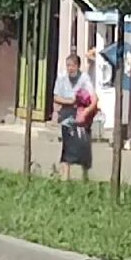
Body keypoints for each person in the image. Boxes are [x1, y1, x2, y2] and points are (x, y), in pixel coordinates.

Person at [53, 53, 96, 181]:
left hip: (82, 120)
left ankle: (85, 177)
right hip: (67, 119)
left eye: (72, 66)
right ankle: (65, 178)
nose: (70, 68)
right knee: (68, 149)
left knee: (84, 148)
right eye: (68, 66)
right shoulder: (61, 78)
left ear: (78, 66)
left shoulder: (84, 78)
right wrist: (70, 102)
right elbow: (56, 97)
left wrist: (87, 110)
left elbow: (93, 97)